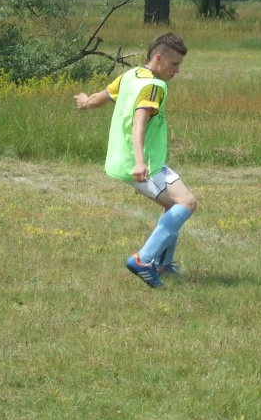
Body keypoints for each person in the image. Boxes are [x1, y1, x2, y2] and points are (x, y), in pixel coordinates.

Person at [75, 33, 196, 288]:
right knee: (186, 203)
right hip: (142, 163)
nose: (177, 70)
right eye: (174, 64)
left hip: (126, 159)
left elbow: (100, 98)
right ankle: (144, 260)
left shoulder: (131, 75)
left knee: (174, 206)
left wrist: (85, 102)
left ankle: (163, 265)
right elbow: (139, 123)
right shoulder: (153, 86)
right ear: (159, 58)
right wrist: (140, 162)